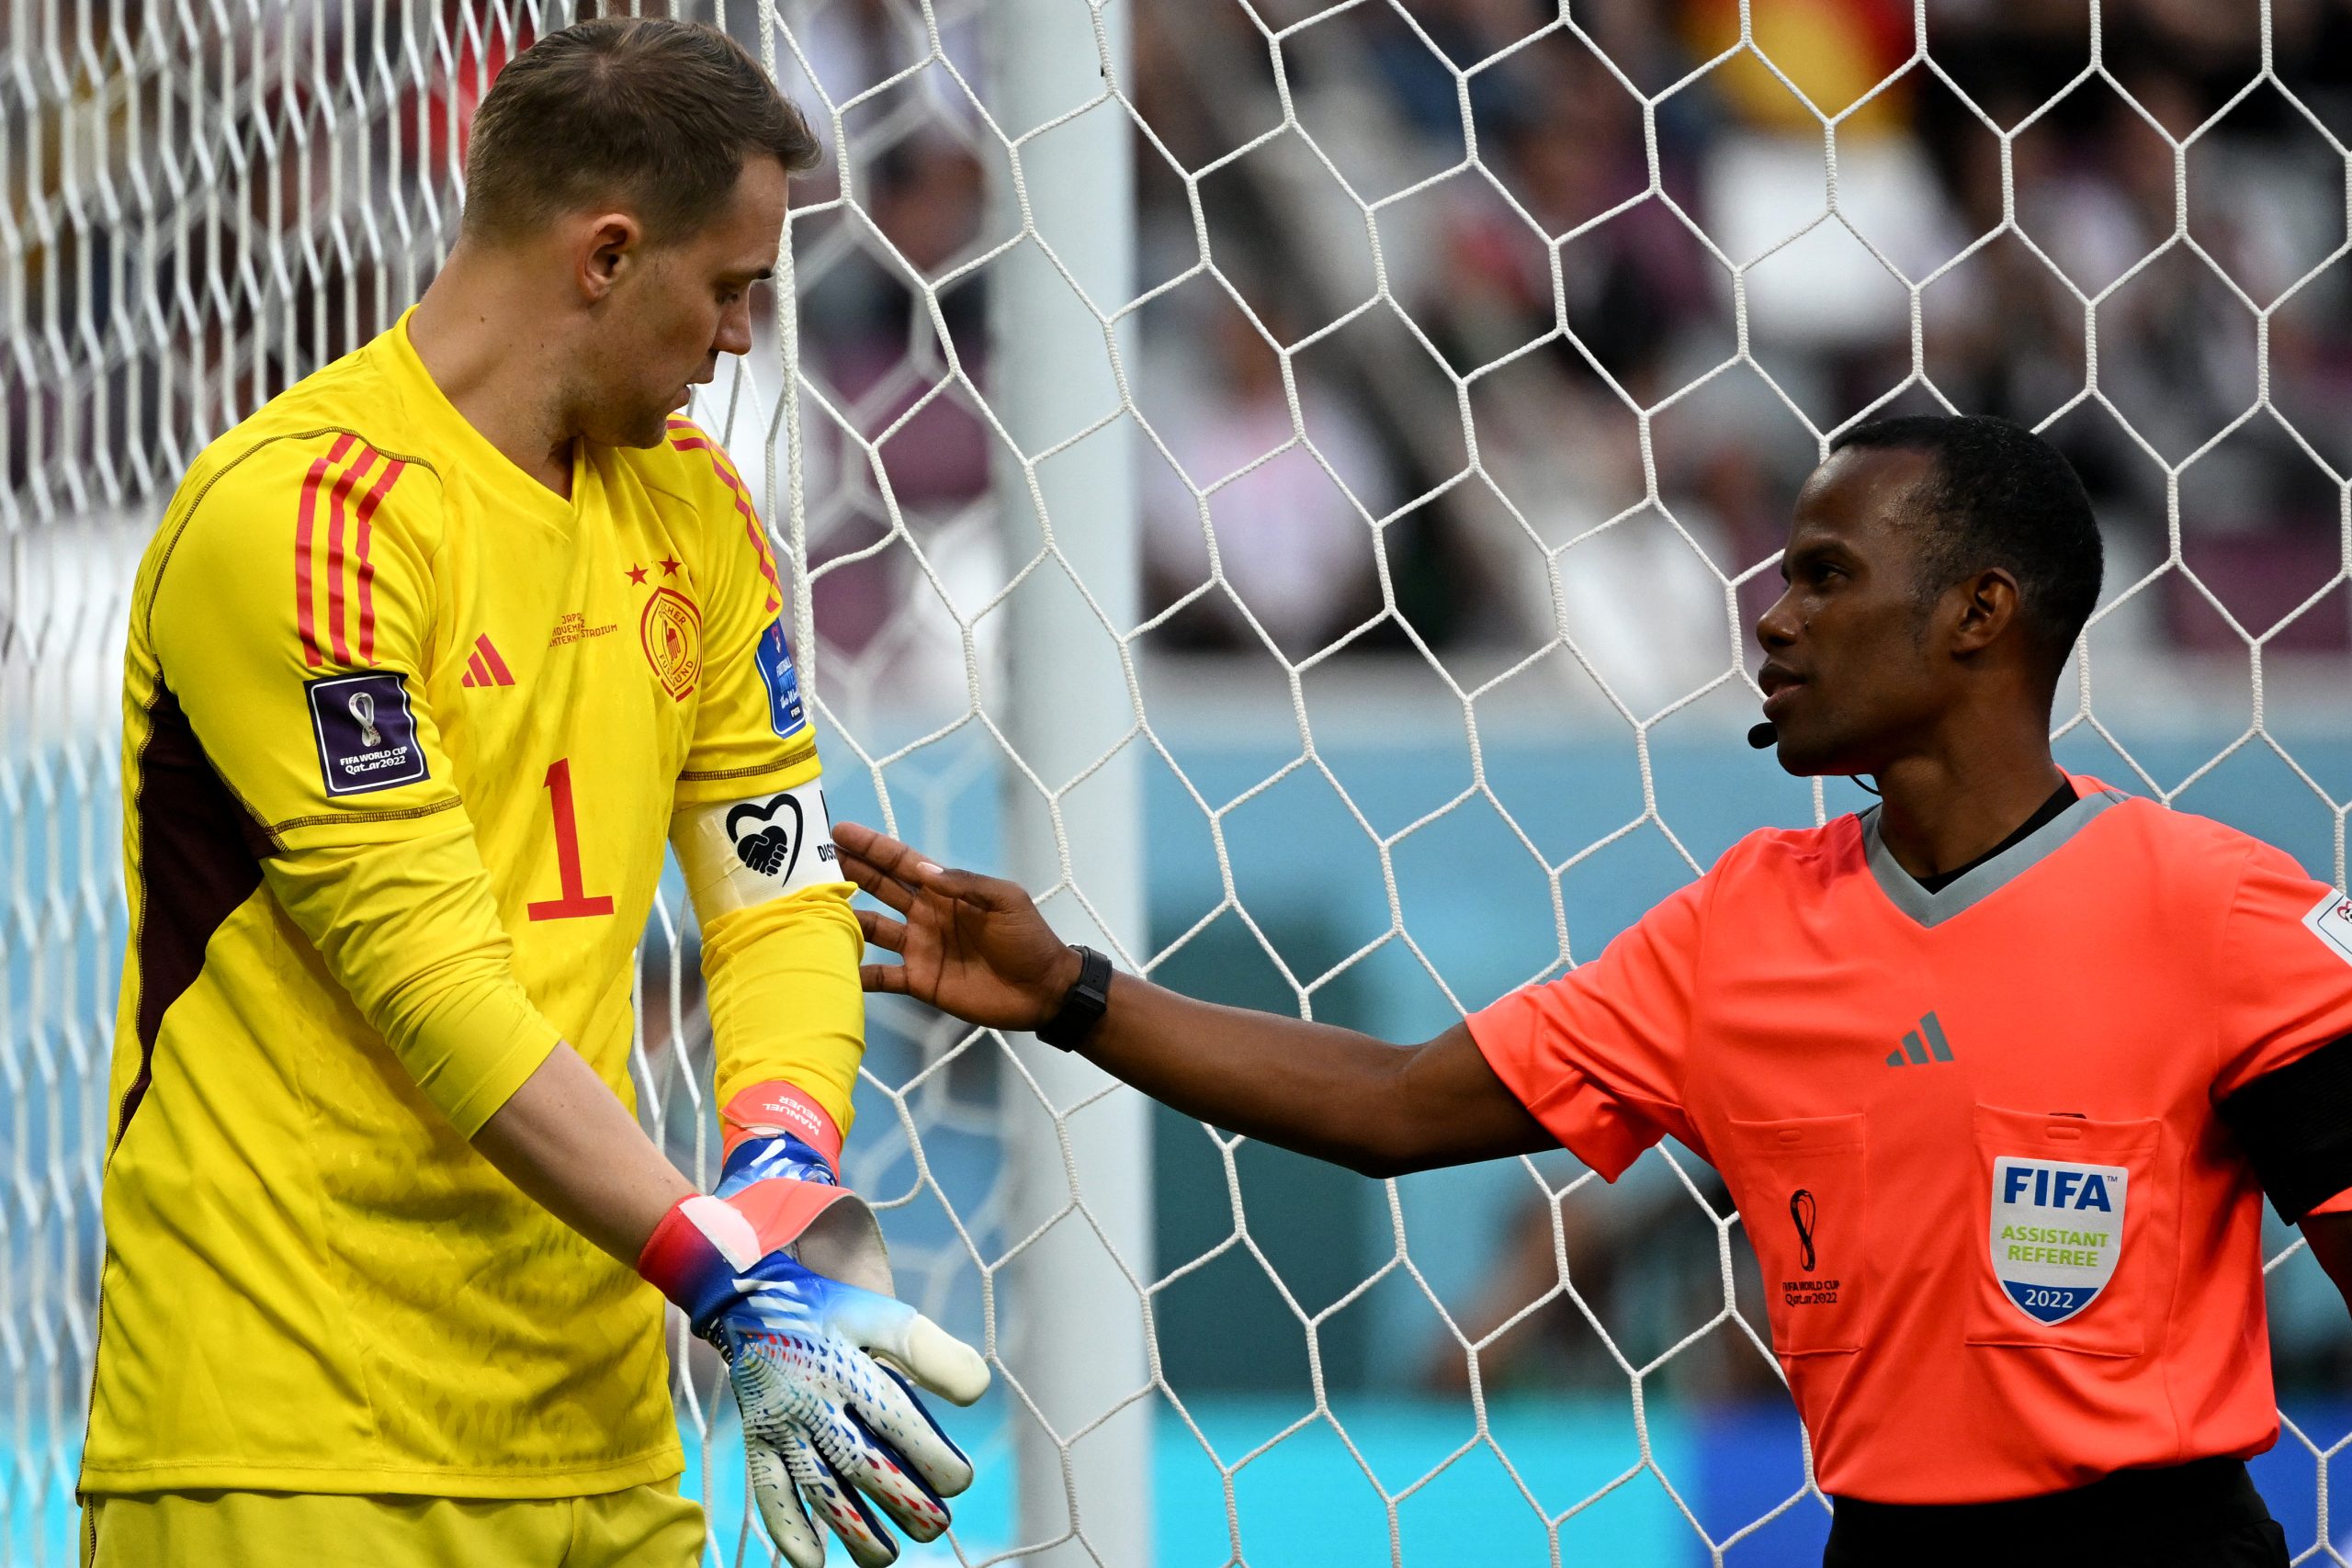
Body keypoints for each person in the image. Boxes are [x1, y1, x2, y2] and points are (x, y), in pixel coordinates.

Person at [841, 414, 2352, 1568]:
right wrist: (1073, 996)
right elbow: (1391, 1103)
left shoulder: (2213, 911)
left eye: (1826, 578)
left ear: (1979, 615)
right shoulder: (1740, 933)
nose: (1772, 619)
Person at [82, 19, 984, 1568]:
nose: (744, 340)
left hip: (601, 1439)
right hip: (292, 1436)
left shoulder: (697, 511)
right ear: (606, 254)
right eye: (731, 288)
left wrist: (776, 1170)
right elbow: (435, 988)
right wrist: (724, 1275)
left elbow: (775, 893)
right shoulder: (305, 522)